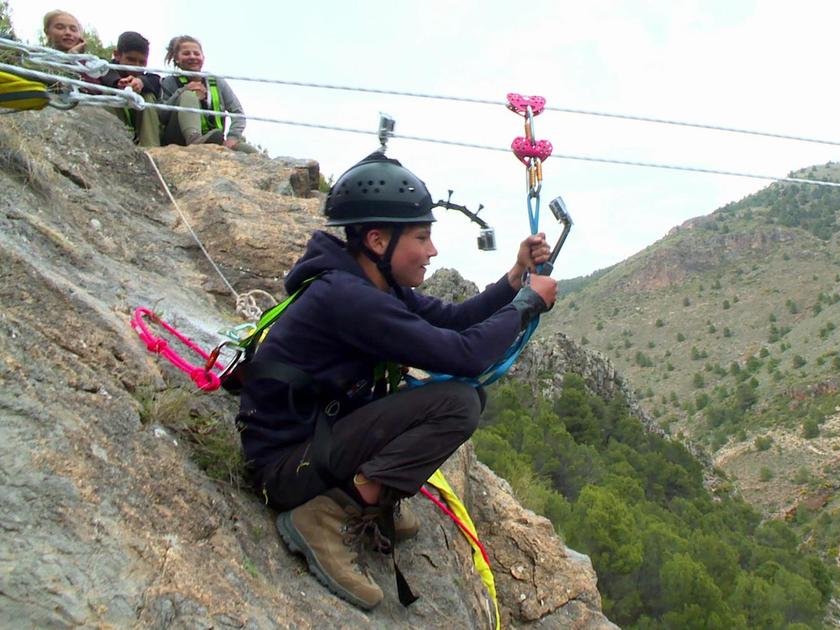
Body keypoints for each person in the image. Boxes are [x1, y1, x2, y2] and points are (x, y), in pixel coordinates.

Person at [236, 151, 557, 610]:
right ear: (376, 239)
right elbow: (465, 355)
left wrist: (513, 280)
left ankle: (370, 490)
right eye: (422, 237)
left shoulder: (370, 286)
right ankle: (327, 512)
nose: (432, 251)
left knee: (460, 397)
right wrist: (526, 305)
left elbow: (456, 320)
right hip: (286, 468)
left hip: (311, 438)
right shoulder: (352, 300)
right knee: (459, 403)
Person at [159, 35, 246, 148]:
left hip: (214, 139)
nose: (192, 57)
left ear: (203, 58)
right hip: (178, 138)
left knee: (248, 150)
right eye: (186, 54)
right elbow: (161, 115)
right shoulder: (169, 81)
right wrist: (183, 91)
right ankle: (194, 138)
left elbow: (238, 113)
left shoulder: (217, 82)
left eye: (196, 53)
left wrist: (233, 137)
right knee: (188, 95)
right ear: (177, 58)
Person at [94, 32, 160, 147]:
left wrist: (141, 82)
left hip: (139, 128)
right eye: (131, 59)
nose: (136, 66)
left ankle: (151, 147)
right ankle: (116, 146)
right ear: (117, 55)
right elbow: (105, 74)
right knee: (109, 93)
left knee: (147, 96)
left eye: (142, 62)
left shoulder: (147, 78)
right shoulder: (103, 69)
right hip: (113, 130)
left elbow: (156, 80)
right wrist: (118, 83)